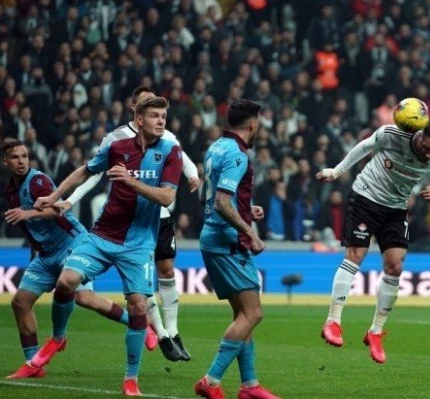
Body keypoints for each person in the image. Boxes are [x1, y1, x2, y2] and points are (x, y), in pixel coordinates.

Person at [31, 96, 183, 396]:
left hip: (138, 244)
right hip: (102, 235)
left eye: (164, 115)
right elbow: (85, 171)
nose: (161, 120)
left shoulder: (170, 152)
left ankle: (130, 379)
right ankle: (59, 338)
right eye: (154, 115)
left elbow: (166, 198)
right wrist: (54, 196)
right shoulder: (117, 148)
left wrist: (129, 181)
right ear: (139, 120)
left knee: (139, 305)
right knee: (65, 283)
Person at [54, 85, 201, 362]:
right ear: (136, 110)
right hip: (124, 224)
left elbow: (183, 158)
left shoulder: (165, 137)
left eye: (160, 112)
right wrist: (69, 200)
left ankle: (173, 330)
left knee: (166, 270)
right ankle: (160, 333)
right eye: (148, 106)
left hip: (161, 216)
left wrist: (193, 175)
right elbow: (93, 173)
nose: (158, 116)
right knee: (139, 289)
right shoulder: (115, 139)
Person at [2, 139, 146, 379]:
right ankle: (33, 364)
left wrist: (26, 213)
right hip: (46, 254)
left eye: (25, 156)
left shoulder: (38, 181)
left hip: (71, 243)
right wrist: (34, 252)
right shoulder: (10, 190)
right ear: (5, 161)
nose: (21, 161)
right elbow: (30, 228)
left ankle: (136, 323)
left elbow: (58, 209)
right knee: (20, 302)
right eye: (15, 157)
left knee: (83, 297)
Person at [317, 118, 430, 363]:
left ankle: (376, 331)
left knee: (395, 266)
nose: (429, 153)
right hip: (365, 197)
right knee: (356, 255)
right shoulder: (391, 134)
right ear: (420, 134)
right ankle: (333, 321)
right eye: (427, 147)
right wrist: (336, 171)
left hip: (395, 208)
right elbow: (363, 148)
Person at [194, 99, 279, 399]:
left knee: (242, 315)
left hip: (214, 236)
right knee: (253, 314)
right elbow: (220, 201)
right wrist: (249, 232)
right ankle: (211, 380)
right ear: (252, 124)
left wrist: (246, 210)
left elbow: (213, 194)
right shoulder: (238, 155)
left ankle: (250, 386)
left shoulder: (217, 147)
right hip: (227, 241)